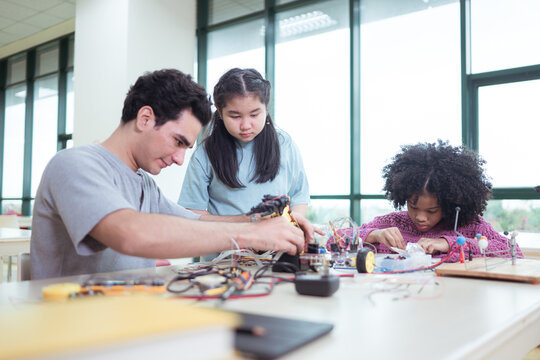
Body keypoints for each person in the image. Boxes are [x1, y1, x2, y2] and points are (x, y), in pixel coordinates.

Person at [30, 69, 306, 280]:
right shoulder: (75, 164)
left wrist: (262, 221)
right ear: (145, 119)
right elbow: (131, 235)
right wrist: (252, 235)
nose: (179, 159)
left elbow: (197, 223)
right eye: (178, 142)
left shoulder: (144, 186)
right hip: (74, 330)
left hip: (130, 319)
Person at [178, 68, 316, 255]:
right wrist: (249, 223)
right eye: (235, 116)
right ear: (219, 111)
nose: (245, 125)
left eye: (254, 114)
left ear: (266, 108)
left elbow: (299, 196)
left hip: (276, 258)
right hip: (225, 261)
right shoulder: (205, 154)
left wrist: (290, 224)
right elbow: (191, 213)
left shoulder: (285, 145)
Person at [327, 140, 522, 262]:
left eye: (432, 211)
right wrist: (374, 235)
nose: (420, 217)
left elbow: (512, 251)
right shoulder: (391, 223)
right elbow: (332, 242)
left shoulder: (469, 226)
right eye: (413, 207)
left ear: (450, 204)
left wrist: (448, 243)